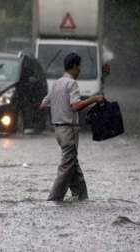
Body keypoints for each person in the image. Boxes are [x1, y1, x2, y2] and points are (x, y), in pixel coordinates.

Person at [40, 53, 105, 201]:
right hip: (69, 130)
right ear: (75, 66)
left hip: (58, 131)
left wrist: (58, 107)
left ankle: (82, 197)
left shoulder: (56, 83)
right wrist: (94, 98)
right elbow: (75, 106)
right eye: (79, 67)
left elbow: (43, 105)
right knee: (67, 167)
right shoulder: (72, 84)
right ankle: (53, 199)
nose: (80, 70)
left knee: (73, 166)